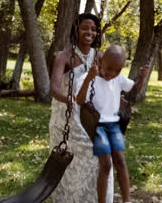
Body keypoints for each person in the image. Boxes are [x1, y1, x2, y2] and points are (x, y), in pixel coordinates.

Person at [49, 13, 114, 202]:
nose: (90, 32)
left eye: (93, 29)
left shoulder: (99, 57)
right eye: (85, 27)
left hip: (90, 114)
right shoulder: (64, 56)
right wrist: (69, 99)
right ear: (76, 30)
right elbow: (53, 89)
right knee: (71, 160)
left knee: (99, 158)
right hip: (66, 116)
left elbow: (110, 81)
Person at [75, 45, 149, 203]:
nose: (112, 74)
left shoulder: (117, 78)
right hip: (97, 125)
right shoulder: (89, 77)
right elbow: (79, 101)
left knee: (121, 162)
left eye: (117, 70)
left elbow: (133, 91)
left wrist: (142, 78)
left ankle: (126, 200)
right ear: (101, 61)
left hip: (113, 124)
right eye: (109, 68)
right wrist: (89, 79)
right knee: (106, 165)